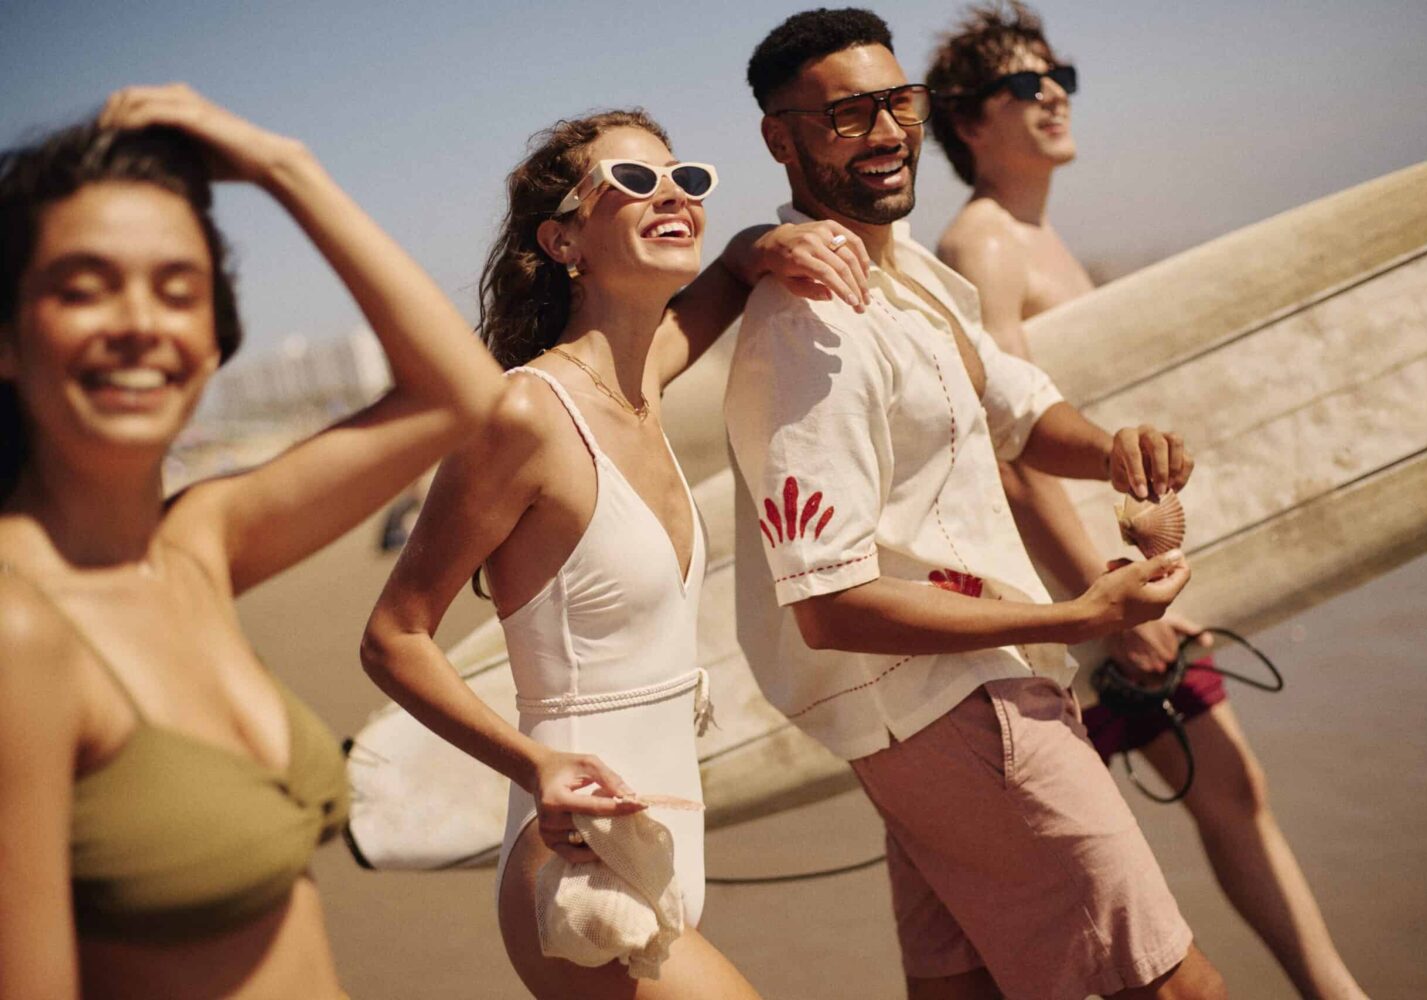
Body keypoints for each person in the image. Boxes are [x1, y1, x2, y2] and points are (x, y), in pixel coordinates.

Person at [726, 9, 1229, 999]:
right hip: (955, 712)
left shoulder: (910, 272)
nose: (885, 132)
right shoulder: (803, 327)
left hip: (957, 711)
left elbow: (1018, 411)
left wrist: (1113, 448)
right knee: (1176, 985)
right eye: (846, 115)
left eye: (898, 102)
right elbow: (829, 605)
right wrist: (1077, 615)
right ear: (780, 140)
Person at [0, 86, 503, 999]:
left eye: (177, 290)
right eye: (83, 287)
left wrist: (283, 166)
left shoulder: (196, 546)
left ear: (210, 338)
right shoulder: (17, 633)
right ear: (6, 336)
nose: (140, 324)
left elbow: (461, 395)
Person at [360, 108, 869, 999]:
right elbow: (394, 637)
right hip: (576, 866)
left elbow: (721, 285)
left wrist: (759, 246)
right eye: (633, 182)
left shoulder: (639, 384)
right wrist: (537, 765)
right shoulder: (526, 416)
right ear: (563, 240)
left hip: (664, 842)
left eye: (686, 178)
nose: (671, 193)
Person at [926, 6, 1368, 998]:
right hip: (1080, 608)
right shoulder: (987, 245)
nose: (1052, 97)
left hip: (1109, 595)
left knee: (1202, 809)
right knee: (1168, 828)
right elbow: (1005, 447)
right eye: (1022, 85)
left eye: (1060, 78)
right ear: (967, 123)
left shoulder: (1038, 236)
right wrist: (1108, 607)